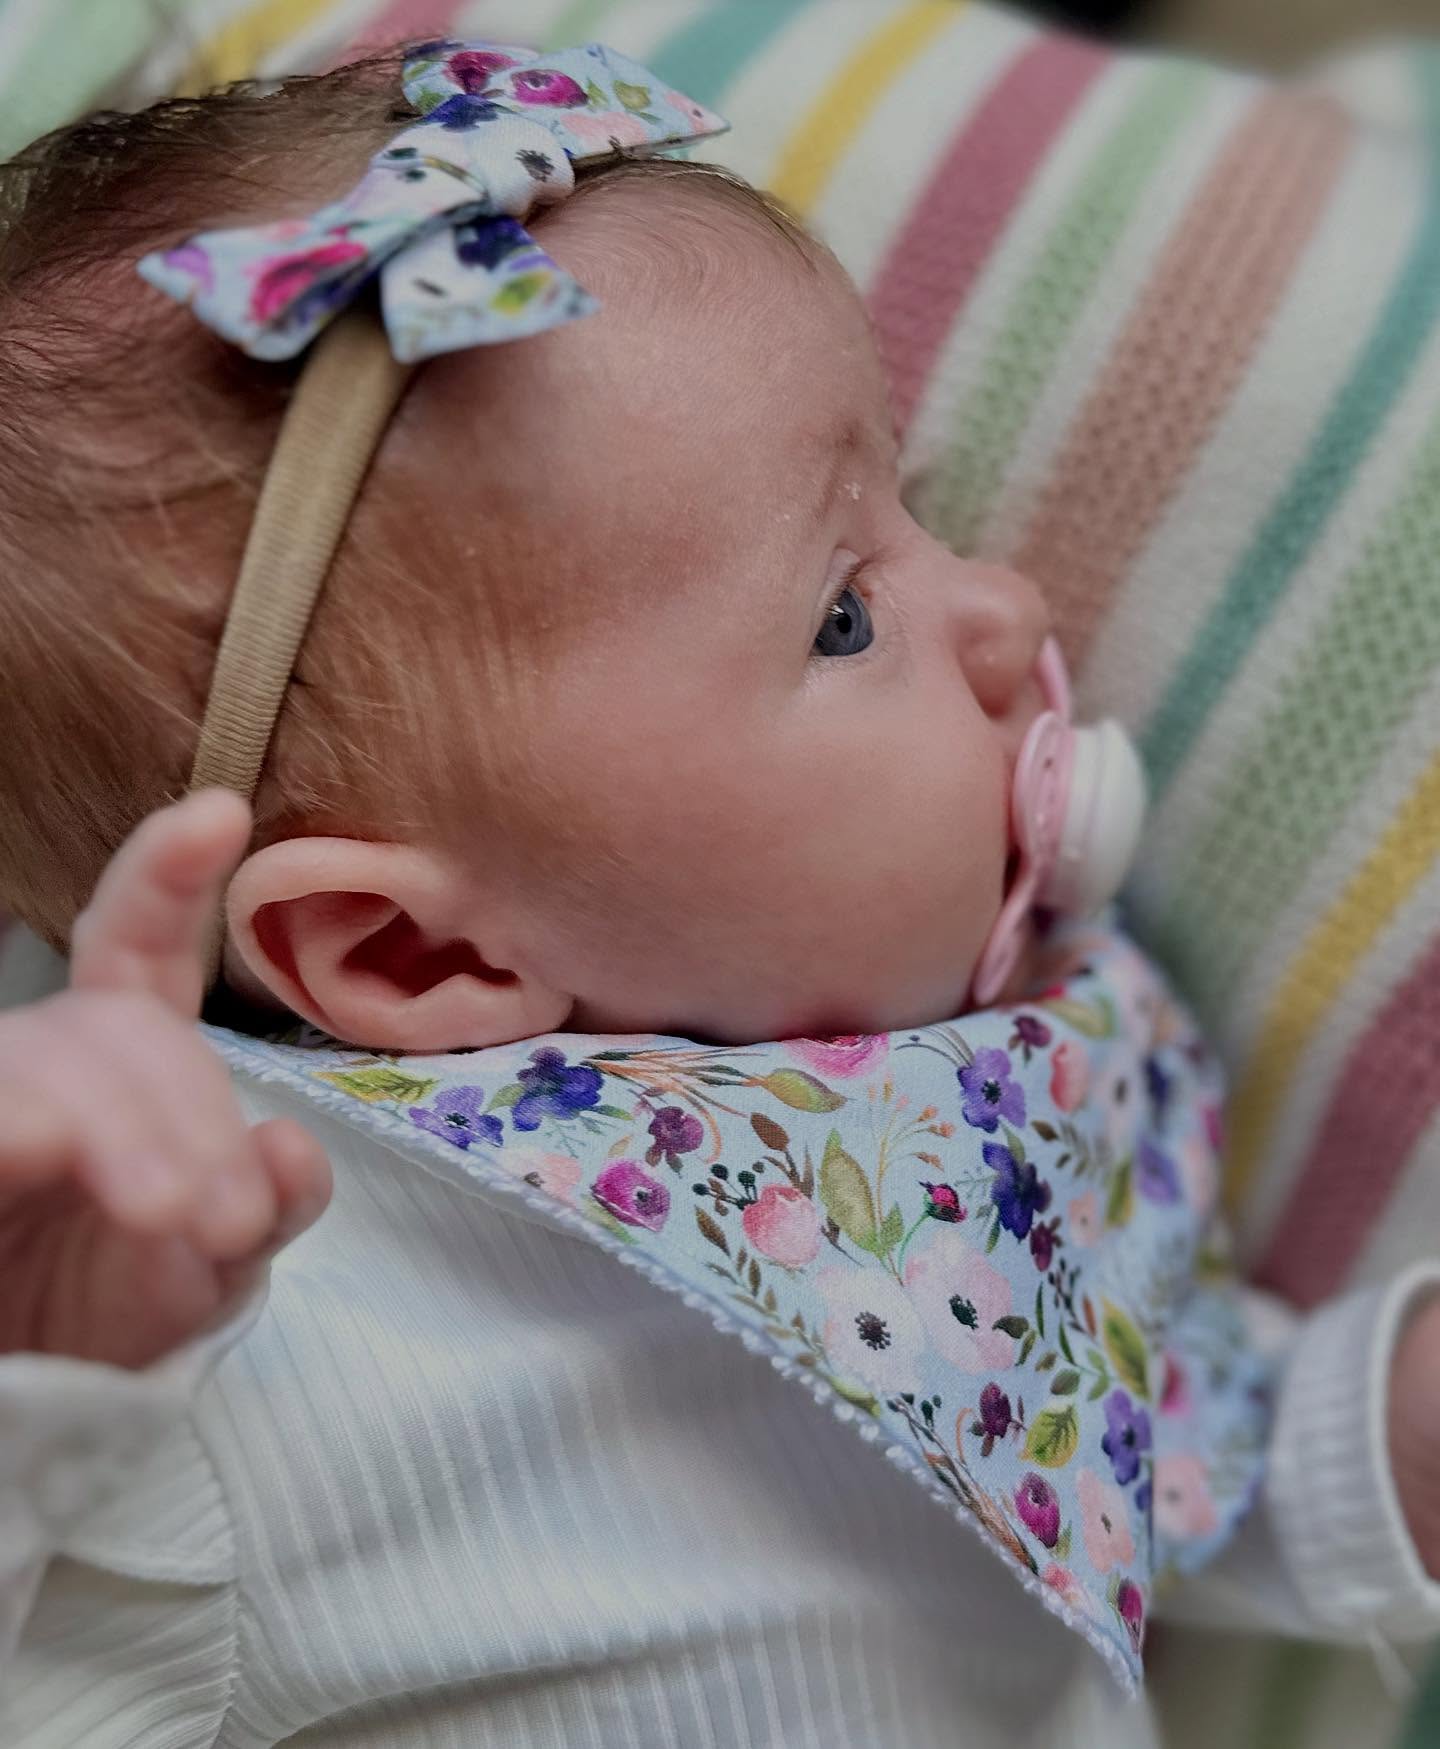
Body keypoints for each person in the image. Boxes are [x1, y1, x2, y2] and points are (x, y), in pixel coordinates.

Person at [1, 40, 1436, 1748]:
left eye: (919, 510)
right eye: (845, 611)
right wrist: (60, 1390)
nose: (1002, 606)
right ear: (413, 949)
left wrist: (1391, 1439)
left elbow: (1119, 1465)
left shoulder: (977, 1103)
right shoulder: (253, 1298)